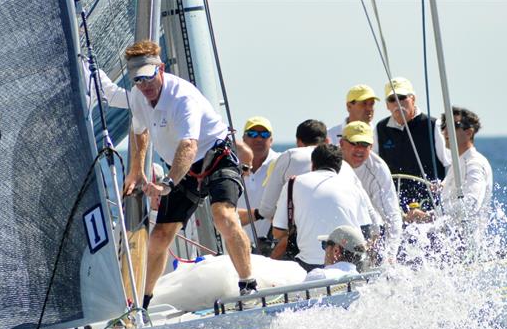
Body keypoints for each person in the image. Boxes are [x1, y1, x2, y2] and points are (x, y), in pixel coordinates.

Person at [107, 40, 256, 307]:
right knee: (159, 238)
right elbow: (139, 131)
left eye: (149, 78)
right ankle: (143, 304)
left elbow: (189, 145)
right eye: (138, 81)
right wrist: (136, 170)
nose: (145, 86)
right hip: (181, 170)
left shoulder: (182, 97)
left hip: (215, 158)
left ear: (161, 69)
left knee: (223, 216)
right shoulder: (140, 96)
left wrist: (168, 183)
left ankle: (249, 287)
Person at [271, 144, 375, 271]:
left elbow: (278, 232)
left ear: (312, 164)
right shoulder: (353, 186)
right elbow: (366, 232)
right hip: (349, 265)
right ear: (339, 166)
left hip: (309, 264)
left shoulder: (293, 183)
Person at [405, 107, 493, 226]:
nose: (446, 130)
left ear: (469, 132)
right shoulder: (459, 162)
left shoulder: (474, 164)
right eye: (444, 126)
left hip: (467, 242)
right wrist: (442, 187)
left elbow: (471, 204)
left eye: (453, 126)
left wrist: (429, 216)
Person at [374, 77, 450, 210]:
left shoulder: (433, 125)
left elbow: (450, 165)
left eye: (402, 97)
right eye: (392, 99)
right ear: (387, 105)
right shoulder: (380, 129)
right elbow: (375, 170)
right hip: (394, 208)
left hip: (431, 205)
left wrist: (442, 186)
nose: (398, 103)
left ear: (413, 99)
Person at [339, 121, 402, 263]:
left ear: (371, 147)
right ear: (342, 144)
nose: (360, 149)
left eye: (365, 145)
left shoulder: (378, 170)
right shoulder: (329, 160)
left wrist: (390, 254)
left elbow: (392, 216)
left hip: (367, 229)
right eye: (355, 143)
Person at [237, 116, 281, 254]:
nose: (258, 138)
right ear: (243, 139)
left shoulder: (281, 163)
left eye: (264, 134)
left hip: (271, 248)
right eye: (252, 134)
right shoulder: (230, 165)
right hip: (234, 246)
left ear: (271, 140)